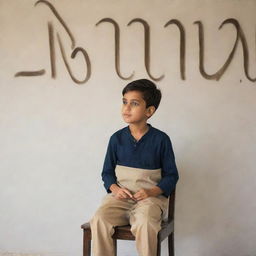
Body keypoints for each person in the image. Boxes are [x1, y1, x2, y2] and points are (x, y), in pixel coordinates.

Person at [90, 79, 179, 256]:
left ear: (149, 111)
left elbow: (171, 176)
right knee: (99, 219)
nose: (126, 108)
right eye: (124, 102)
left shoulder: (161, 140)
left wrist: (151, 192)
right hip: (120, 199)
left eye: (134, 103)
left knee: (145, 223)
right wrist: (115, 188)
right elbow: (107, 172)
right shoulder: (116, 139)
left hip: (149, 200)